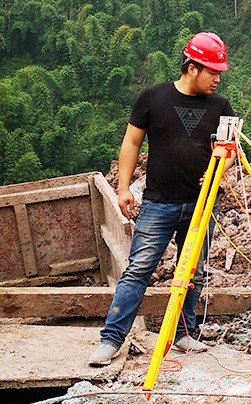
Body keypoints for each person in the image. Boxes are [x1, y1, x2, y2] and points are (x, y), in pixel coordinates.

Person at [89, 32, 234, 366]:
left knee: (192, 271)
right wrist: (124, 188)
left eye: (219, 73)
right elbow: (131, 144)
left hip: (201, 203)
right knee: (139, 269)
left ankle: (183, 333)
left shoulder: (220, 106)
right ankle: (111, 339)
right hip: (158, 202)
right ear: (192, 67)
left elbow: (229, 150)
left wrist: (218, 169)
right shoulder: (153, 97)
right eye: (212, 71)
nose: (217, 78)